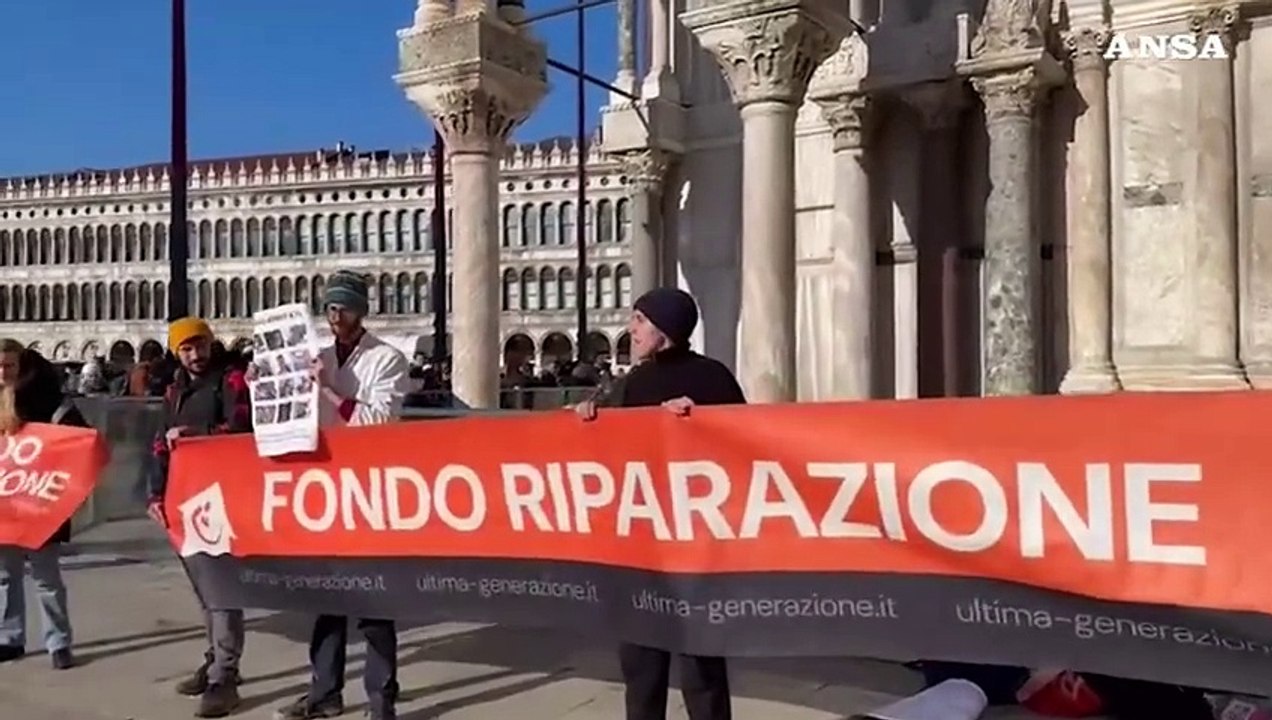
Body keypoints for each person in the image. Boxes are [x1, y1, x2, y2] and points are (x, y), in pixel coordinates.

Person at [575, 287, 744, 720]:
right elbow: (606, 454)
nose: (630, 329)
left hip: (695, 548)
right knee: (642, 671)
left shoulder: (713, 378)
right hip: (641, 546)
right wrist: (589, 419)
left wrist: (701, 420)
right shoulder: (631, 383)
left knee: (701, 672)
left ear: (664, 329)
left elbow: (745, 445)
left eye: (639, 320)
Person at [274, 270, 409, 720]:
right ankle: (325, 692)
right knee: (327, 599)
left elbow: (378, 424)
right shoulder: (317, 356)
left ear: (361, 310)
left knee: (375, 604)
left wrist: (328, 389)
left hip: (370, 490)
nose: (336, 316)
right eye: (330, 308)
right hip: (327, 487)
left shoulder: (387, 359)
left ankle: (381, 701)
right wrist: (268, 381)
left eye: (344, 308)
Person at [146, 317, 252, 719]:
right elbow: (160, 442)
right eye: (186, 348)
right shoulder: (175, 388)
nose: (195, 354)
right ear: (177, 352)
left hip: (223, 497)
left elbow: (241, 429)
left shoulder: (232, 379)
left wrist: (197, 434)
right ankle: (215, 658)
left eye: (200, 345)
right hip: (185, 497)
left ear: (211, 344)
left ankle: (225, 673)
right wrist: (155, 493)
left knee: (222, 585)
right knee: (204, 587)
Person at [0, 340, 90, 670]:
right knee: (5, 575)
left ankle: (59, 641)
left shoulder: (47, 398)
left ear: (21, 366)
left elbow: (77, 436)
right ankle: (9, 637)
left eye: (8, 366)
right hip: (5, 501)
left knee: (46, 576)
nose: (2, 373)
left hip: (39, 499)